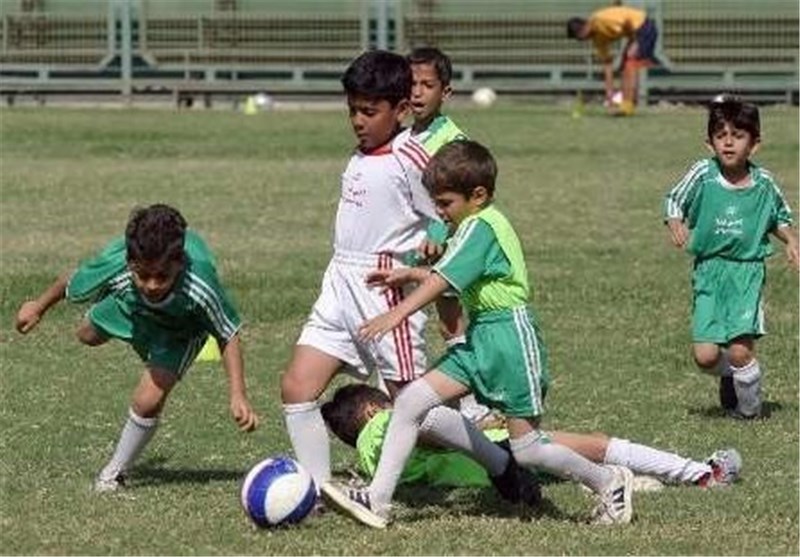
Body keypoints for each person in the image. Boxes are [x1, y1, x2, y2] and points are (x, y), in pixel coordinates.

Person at [322, 140, 638, 529]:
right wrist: (410, 274)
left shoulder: (482, 226)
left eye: (445, 203)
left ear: (478, 195)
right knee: (410, 402)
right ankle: (377, 500)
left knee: (528, 450)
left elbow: (443, 281)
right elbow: (454, 277)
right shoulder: (469, 226)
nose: (439, 212)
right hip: (482, 336)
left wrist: (397, 313)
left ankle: (608, 481)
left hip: (510, 340)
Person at [279, 50, 538, 506]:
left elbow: (456, 214)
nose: (358, 121)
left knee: (414, 407)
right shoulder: (362, 152)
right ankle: (316, 494)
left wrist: (436, 245)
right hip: (339, 283)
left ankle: (500, 462)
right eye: (352, 110)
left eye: (369, 111)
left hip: (385, 289)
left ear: (400, 109)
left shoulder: (413, 158)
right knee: (297, 388)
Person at [15, 204, 259, 491]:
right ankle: (111, 302)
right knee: (86, 335)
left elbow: (227, 334)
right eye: (143, 275)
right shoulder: (117, 264)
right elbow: (71, 281)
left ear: (179, 264)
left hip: (180, 330)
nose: (152, 285)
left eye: (162, 277)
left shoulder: (200, 286)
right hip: (130, 309)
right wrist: (38, 307)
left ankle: (113, 474)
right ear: (130, 262)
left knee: (148, 401)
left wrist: (238, 394)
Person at [322, 381, 741, 491]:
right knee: (597, 443)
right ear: (372, 409)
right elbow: (427, 429)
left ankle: (627, 481)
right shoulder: (384, 424)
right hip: (495, 454)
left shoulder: (367, 458)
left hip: (481, 473)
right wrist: (477, 429)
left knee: (580, 457)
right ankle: (703, 474)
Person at [663, 97, 799, 419]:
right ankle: (732, 375)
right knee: (706, 356)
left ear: (754, 145)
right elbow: (674, 199)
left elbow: (779, 217)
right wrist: (675, 221)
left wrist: (791, 240)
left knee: (740, 349)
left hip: (746, 271)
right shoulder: (702, 173)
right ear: (709, 142)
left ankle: (749, 412)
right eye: (720, 135)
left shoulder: (764, 183)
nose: (728, 142)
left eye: (737, 135)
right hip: (708, 270)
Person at [566, 4, 661, 116]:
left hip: (643, 27)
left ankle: (628, 106)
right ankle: (626, 105)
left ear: (583, 30)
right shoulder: (597, 39)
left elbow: (627, 21)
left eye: (580, 38)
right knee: (624, 66)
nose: (584, 40)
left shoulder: (601, 20)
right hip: (634, 32)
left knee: (630, 62)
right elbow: (607, 65)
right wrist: (609, 94)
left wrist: (635, 42)